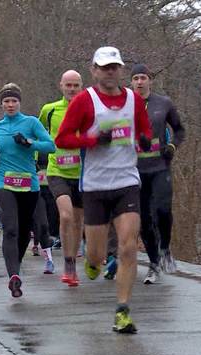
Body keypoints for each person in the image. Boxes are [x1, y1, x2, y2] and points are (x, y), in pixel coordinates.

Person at [56, 46, 152, 333]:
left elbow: (144, 130)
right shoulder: (85, 101)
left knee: (127, 247)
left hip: (126, 182)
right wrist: (93, 139)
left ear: (120, 70)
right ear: (94, 70)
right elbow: (62, 139)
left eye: (115, 67)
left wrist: (145, 141)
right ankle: (92, 260)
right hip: (95, 186)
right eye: (104, 67)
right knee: (97, 255)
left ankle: (122, 311)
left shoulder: (134, 100)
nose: (110, 72)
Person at [0, 83, 55, 297]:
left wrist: (29, 143)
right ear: (2, 104)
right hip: (4, 183)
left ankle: (16, 263)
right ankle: (14, 276)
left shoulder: (31, 122)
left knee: (24, 231)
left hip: (29, 184)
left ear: (19, 102)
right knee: (11, 229)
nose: (10, 104)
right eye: (6, 101)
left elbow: (50, 145)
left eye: (13, 101)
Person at [129, 63, 186, 284]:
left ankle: (165, 248)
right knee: (143, 220)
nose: (140, 82)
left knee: (162, 210)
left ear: (150, 80)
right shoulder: (124, 105)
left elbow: (180, 129)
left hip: (160, 167)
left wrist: (172, 146)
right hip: (134, 171)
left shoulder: (163, 103)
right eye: (136, 78)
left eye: (143, 77)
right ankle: (153, 263)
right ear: (131, 82)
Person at [38, 69, 85, 286]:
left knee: (78, 221)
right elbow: (39, 135)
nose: (72, 89)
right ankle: (67, 262)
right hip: (57, 170)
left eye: (76, 85)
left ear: (81, 87)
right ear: (61, 86)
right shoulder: (49, 110)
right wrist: (38, 162)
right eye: (69, 85)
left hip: (83, 172)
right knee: (65, 216)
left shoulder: (89, 108)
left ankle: (72, 264)